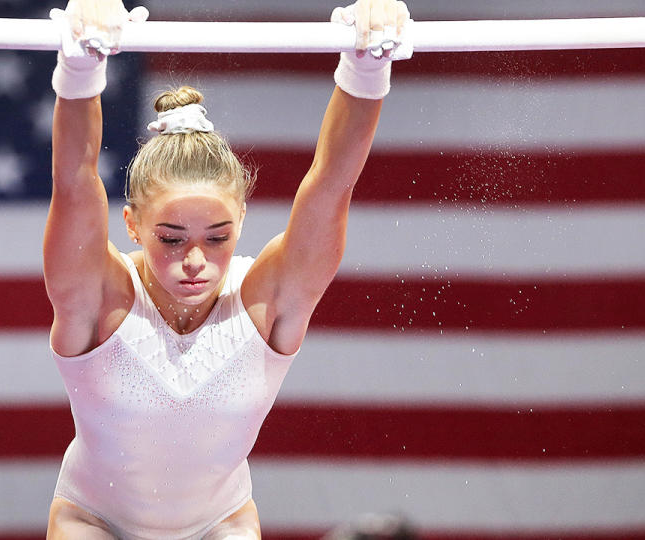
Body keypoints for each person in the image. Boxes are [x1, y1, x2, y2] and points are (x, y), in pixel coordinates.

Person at [44, 0, 410, 538]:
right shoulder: (101, 299)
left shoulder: (265, 300)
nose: (195, 261)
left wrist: (368, 64)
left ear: (241, 218)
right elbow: (75, 184)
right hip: (93, 520)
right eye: (171, 239)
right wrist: (81, 66)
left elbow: (332, 182)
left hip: (221, 524)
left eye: (218, 238)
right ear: (132, 225)